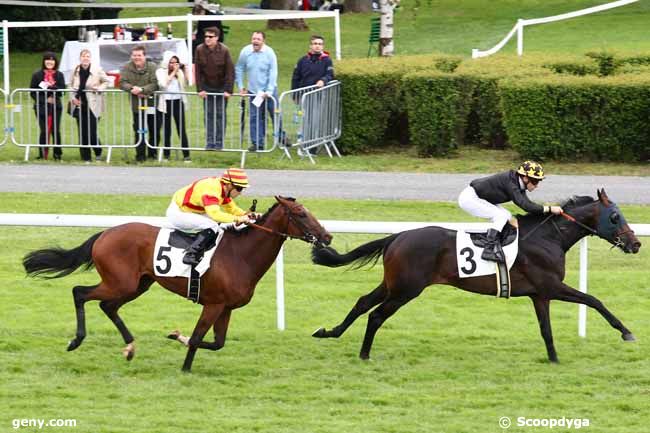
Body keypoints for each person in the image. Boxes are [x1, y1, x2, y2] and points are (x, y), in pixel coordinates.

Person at [457, 160, 563, 264]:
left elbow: (528, 204)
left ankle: (499, 244)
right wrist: (549, 209)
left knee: (507, 216)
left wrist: (546, 211)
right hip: (470, 199)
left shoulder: (517, 182)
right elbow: (526, 206)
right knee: (500, 217)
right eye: (535, 181)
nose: (537, 185)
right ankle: (488, 250)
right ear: (525, 178)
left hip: (480, 197)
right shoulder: (511, 184)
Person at [166, 167, 262, 266]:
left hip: (193, 211)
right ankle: (190, 254)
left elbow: (232, 209)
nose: (240, 192)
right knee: (212, 225)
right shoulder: (211, 190)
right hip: (179, 213)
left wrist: (246, 215)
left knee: (220, 225)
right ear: (229, 185)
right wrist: (238, 218)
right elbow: (215, 214)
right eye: (239, 188)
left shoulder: (223, 189)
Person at [235, 31, 278, 152]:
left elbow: (273, 71)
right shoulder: (246, 52)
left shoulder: (269, 53)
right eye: (254, 39)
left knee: (275, 114)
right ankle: (257, 143)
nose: (255, 41)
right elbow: (239, 68)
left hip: (269, 91)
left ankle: (281, 137)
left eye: (258, 39)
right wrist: (241, 86)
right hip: (254, 91)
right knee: (255, 117)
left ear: (263, 41)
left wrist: (268, 91)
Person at [195, 26, 234, 150]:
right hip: (207, 87)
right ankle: (210, 142)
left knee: (220, 115)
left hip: (221, 87)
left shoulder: (224, 50)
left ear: (217, 38)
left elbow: (230, 71)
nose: (207, 39)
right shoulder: (199, 49)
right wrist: (200, 89)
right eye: (206, 36)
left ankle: (219, 142)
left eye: (210, 37)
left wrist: (228, 90)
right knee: (209, 114)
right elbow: (197, 71)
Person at [119, 45, 159, 162]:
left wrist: (142, 90)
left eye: (139, 55)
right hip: (136, 104)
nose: (137, 58)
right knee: (138, 129)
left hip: (151, 103)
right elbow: (122, 82)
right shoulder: (127, 67)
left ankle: (153, 154)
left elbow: (155, 83)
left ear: (144, 56)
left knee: (154, 129)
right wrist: (132, 89)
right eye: (134, 55)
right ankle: (140, 156)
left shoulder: (152, 67)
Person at [70, 49, 110, 163]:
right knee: (82, 132)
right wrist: (73, 98)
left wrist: (99, 88)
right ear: (80, 58)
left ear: (90, 58)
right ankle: (86, 157)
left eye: (87, 56)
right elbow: (70, 85)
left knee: (92, 132)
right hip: (79, 104)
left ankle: (98, 152)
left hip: (93, 104)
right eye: (83, 56)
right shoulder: (75, 70)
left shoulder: (97, 70)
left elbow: (107, 81)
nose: (85, 58)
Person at [29, 52, 66, 161]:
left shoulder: (59, 75)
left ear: (55, 62)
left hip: (56, 107)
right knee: (44, 130)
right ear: (44, 61)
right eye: (47, 59)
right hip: (41, 107)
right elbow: (32, 92)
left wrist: (55, 90)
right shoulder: (37, 75)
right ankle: (42, 154)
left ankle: (57, 154)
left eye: (52, 60)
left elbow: (63, 91)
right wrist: (45, 99)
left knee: (55, 130)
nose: (50, 62)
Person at [156, 51, 191, 162]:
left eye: (176, 63)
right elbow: (163, 84)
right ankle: (166, 155)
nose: (173, 65)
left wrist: (184, 71)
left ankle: (186, 155)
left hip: (178, 101)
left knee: (181, 129)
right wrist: (173, 72)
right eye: (171, 62)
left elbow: (187, 83)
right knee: (167, 130)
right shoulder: (160, 71)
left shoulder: (179, 72)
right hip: (166, 103)